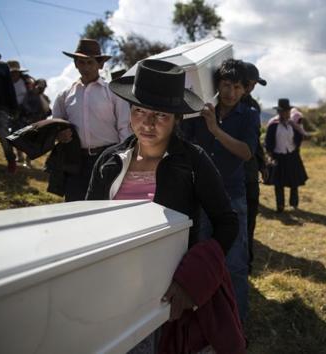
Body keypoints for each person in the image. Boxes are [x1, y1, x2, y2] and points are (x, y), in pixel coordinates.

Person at [86, 59, 245, 354]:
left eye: (160, 115)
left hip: (167, 295)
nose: (146, 123)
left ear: (177, 119)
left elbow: (227, 222)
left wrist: (192, 280)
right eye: (139, 111)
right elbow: (87, 221)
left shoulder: (193, 162)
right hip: (113, 289)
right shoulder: (109, 161)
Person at [180, 58, 259, 323]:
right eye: (227, 85)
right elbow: (185, 146)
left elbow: (247, 153)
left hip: (232, 197)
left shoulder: (248, 115)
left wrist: (214, 129)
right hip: (200, 197)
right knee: (201, 258)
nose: (231, 93)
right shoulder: (198, 112)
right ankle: (204, 321)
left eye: (238, 87)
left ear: (245, 90)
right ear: (218, 84)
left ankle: (236, 323)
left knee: (235, 263)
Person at [52, 38, 131, 201]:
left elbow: (125, 128)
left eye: (90, 62)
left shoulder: (113, 93)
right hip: (76, 161)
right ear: (75, 64)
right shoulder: (65, 95)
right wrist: (59, 136)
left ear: (100, 64)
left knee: (106, 208)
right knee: (75, 208)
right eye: (81, 62)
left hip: (108, 157)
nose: (85, 67)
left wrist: (125, 162)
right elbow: (55, 127)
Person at [242, 61, 267, 272]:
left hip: (250, 173)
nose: (252, 88)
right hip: (229, 174)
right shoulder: (220, 104)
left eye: (254, 84)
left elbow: (255, 141)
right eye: (249, 83)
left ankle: (246, 262)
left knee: (250, 219)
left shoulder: (253, 107)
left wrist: (263, 165)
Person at [264, 98, 308, 212]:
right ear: (279, 112)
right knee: (279, 183)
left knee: (294, 180)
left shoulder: (292, 124)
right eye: (284, 111)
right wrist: (270, 155)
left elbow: (299, 136)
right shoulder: (273, 125)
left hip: (292, 155)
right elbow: (268, 142)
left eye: (288, 111)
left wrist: (296, 146)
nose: (287, 113)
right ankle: (280, 206)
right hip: (278, 156)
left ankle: (294, 204)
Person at [0, 46, 18, 177]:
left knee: (4, 136)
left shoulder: (2, 67)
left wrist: (14, 107)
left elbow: (9, 88)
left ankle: (11, 161)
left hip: (0, 108)